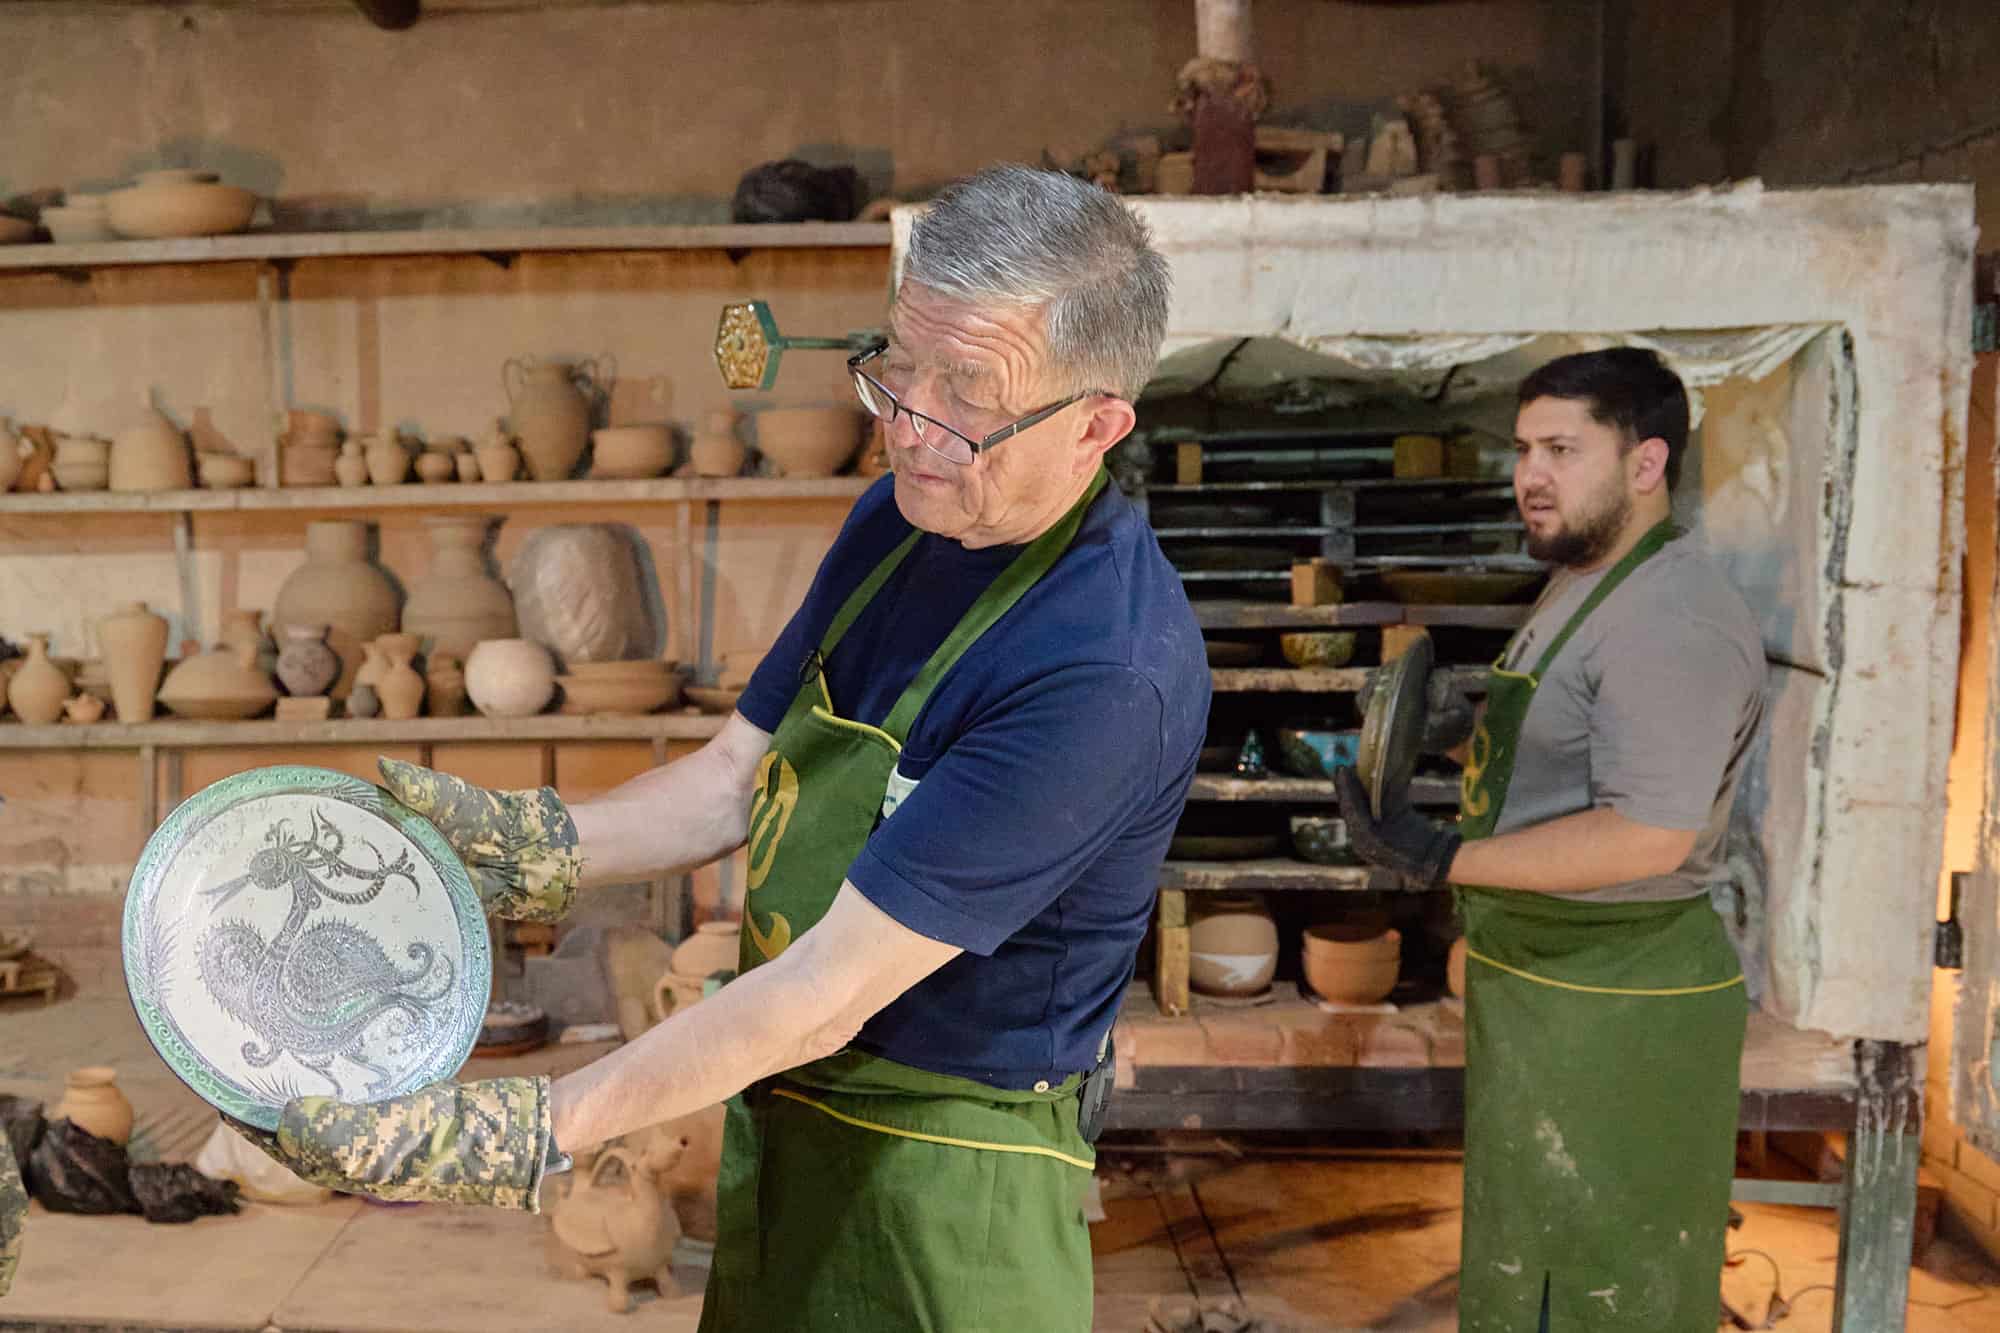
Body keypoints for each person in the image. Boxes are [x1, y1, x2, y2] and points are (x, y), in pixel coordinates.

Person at [226, 164, 1208, 1331]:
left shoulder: (1100, 671)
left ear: (1098, 423)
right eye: (898, 366)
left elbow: (825, 991)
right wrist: (515, 844)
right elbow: (727, 782)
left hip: (953, 1175)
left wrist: (524, 1128)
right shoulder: (904, 518)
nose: (907, 425)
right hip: (789, 1106)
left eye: (967, 394)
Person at [1338, 348, 1767, 1332]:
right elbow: (1571, 750)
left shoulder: (1670, 618)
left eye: (1562, 449)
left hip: (1621, 999)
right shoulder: (1588, 582)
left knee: (1601, 1288)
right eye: (1524, 448)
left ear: (1644, 462)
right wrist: (1454, 732)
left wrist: (1440, 857)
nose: (1529, 473)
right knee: (1530, 1265)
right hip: (1550, 983)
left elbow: (1646, 832)